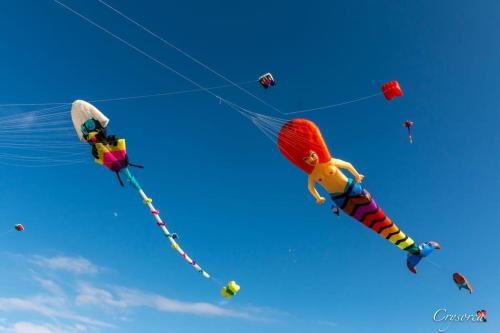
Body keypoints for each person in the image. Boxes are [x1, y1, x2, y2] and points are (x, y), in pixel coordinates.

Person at [303, 150, 440, 273]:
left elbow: (346, 164)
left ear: (317, 152)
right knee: (372, 224)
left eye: (312, 155)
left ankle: (416, 249)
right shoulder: (312, 175)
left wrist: (357, 175)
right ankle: (412, 250)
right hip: (339, 199)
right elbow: (311, 187)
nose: (311, 159)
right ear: (305, 161)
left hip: (351, 188)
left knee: (379, 218)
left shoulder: (330, 161)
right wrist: (318, 197)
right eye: (307, 158)